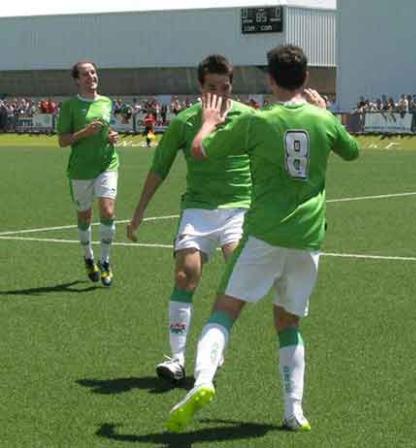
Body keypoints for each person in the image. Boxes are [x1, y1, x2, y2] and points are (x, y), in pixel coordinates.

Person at [164, 44, 360, 433]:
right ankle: (293, 411)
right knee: (289, 324)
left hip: (265, 235)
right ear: (305, 79)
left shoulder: (258, 121)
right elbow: (352, 150)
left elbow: (202, 150)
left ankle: (202, 381)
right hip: (307, 239)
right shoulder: (322, 120)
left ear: (270, 80)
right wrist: (323, 113)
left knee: (224, 311)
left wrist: (206, 121)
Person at [126, 55, 254, 383]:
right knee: (185, 275)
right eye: (212, 87)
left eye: (225, 88)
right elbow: (160, 168)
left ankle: (214, 341)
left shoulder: (249, 118)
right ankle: (177, 358)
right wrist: (139, 213)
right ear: (200, 87)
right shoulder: (185, 122)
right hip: (197, 209)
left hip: (238, 209)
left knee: (236, 272)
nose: (219, 94)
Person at [57, 60, 120, 286]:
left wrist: (112, 135)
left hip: (107, 164)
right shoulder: (70, 106)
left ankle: (105, 262)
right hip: (81, 170)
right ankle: (88, 257)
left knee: (108, 210)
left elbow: (108, 128)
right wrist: (84, 133)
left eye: (93, 72)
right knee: (85, 216)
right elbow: (62, 141)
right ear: (77, 80)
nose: (91, 77)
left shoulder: (106, 102)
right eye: (85, 74)